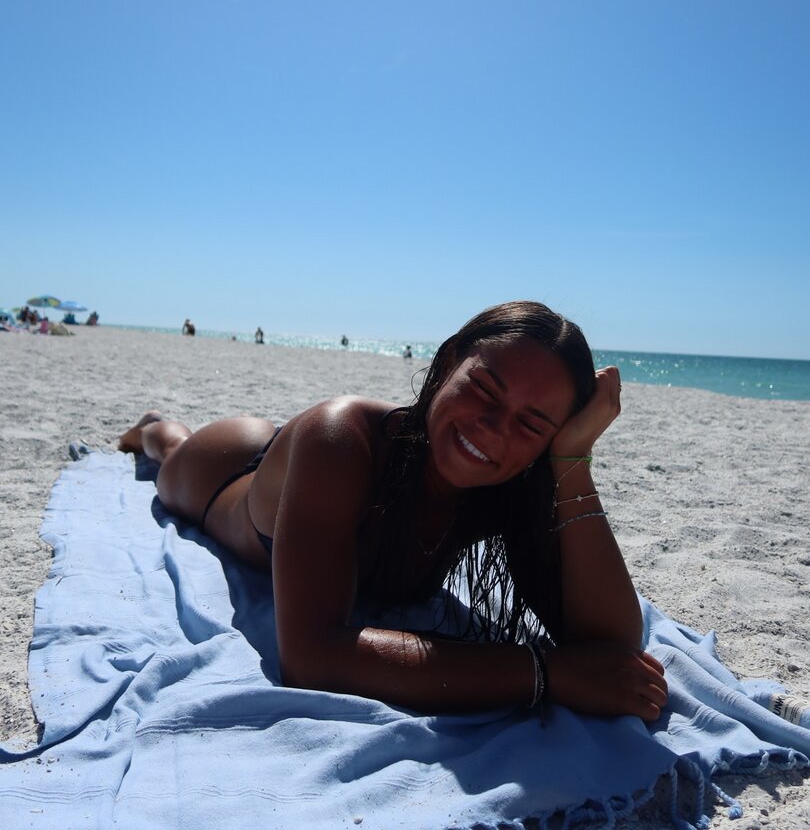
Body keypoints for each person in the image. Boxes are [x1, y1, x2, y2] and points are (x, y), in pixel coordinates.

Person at [117, 301, 666, 720]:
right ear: (448, 363)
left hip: (306, 472)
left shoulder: (509, 484)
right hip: (226, 471)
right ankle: (154, 428)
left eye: (531, 424)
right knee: (170, 457)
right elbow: (310, 657)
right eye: (484, 390)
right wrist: (546, 673)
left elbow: (614, 650)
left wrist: (572, 460)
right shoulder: (341, 434)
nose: (494, 429)